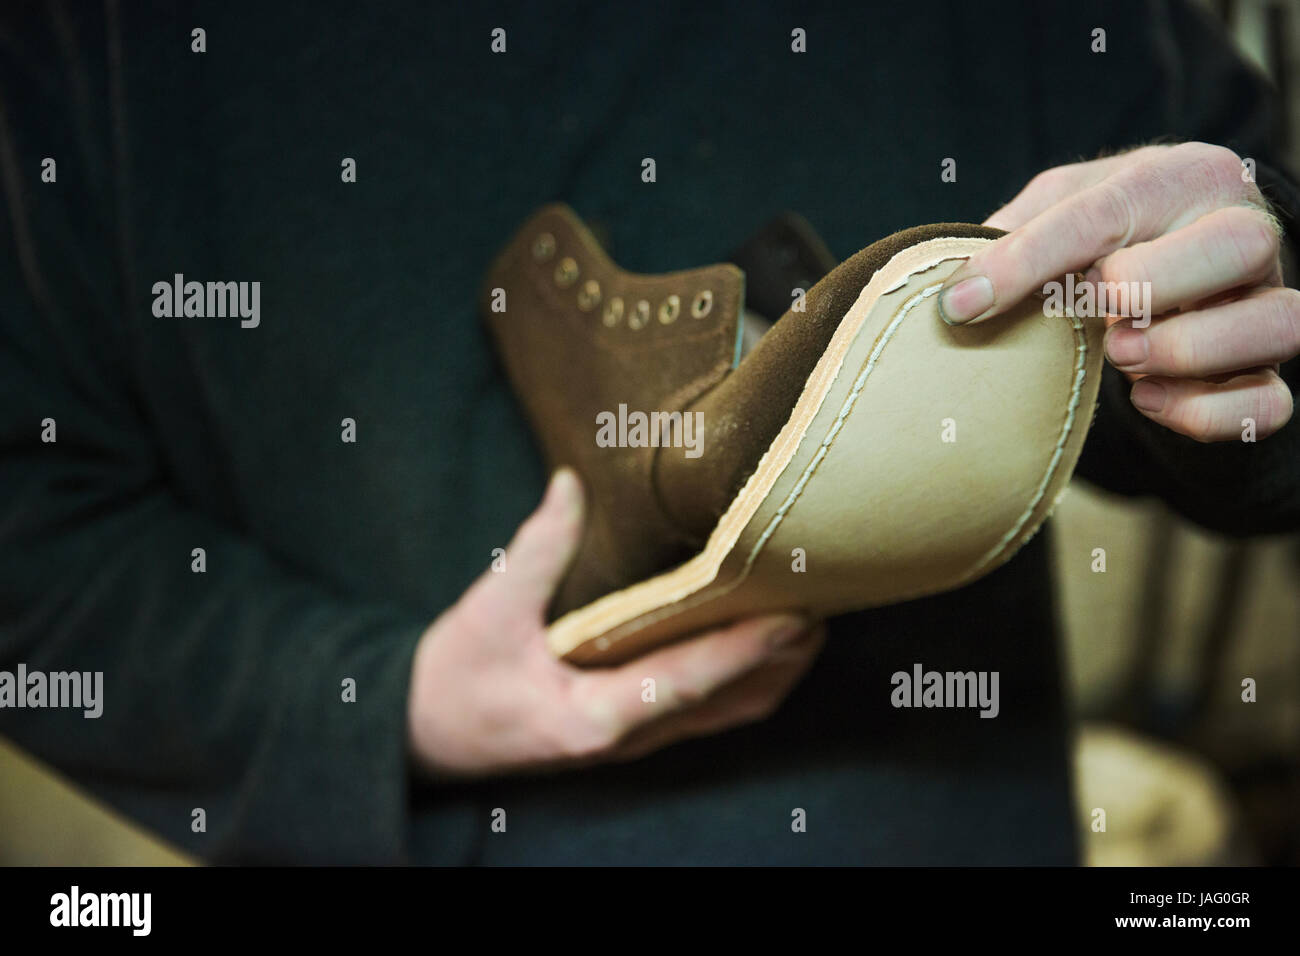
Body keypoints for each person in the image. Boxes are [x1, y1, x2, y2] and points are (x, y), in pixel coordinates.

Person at [1, 0, 1297, 864]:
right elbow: (25, 541)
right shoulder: (86, 48)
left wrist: (1251, 299)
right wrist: (376, 703)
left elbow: (1252, 327)